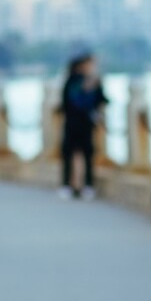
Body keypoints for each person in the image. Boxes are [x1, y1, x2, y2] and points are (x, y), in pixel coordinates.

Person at [58, 52, 108, 200]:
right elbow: (69, 102)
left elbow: (102, 99)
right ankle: (67, 185)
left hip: (86, 124)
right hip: (73, 123)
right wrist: (86, 89)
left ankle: (88, 185)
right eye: (90, 64)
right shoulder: (73, 81)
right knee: (69, 153)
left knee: (88, 154)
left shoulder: (94, 81)